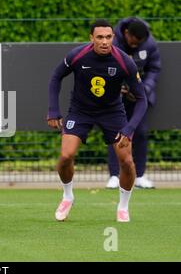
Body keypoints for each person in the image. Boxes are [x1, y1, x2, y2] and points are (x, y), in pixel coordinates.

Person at [47, 19, 147, 222]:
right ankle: (68, 196)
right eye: (100, 37)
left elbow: (142, 99)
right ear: (91, 38)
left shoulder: (124, 61)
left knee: (127, 161)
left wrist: (129, 129)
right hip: (80, 111)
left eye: (108, 37)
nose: (104, 41)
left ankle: (123, 206)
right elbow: (56, 76)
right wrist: (53, 110)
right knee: (66, 156)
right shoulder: (77, 55)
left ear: (113, 38)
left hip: (112, 112)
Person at [106, 17, 162, 189]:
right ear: (126, 33)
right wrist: (116, 87)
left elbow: (154, 68)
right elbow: (105, 66)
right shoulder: (113, 42)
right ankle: (115, 176)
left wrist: (144, 89)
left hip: (139, 97)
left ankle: (140, 176)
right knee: (115, 133)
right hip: (116, 98)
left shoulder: (149, 44)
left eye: (140, 43)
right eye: (133, 41)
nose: (135, 45)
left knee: (141, 133)